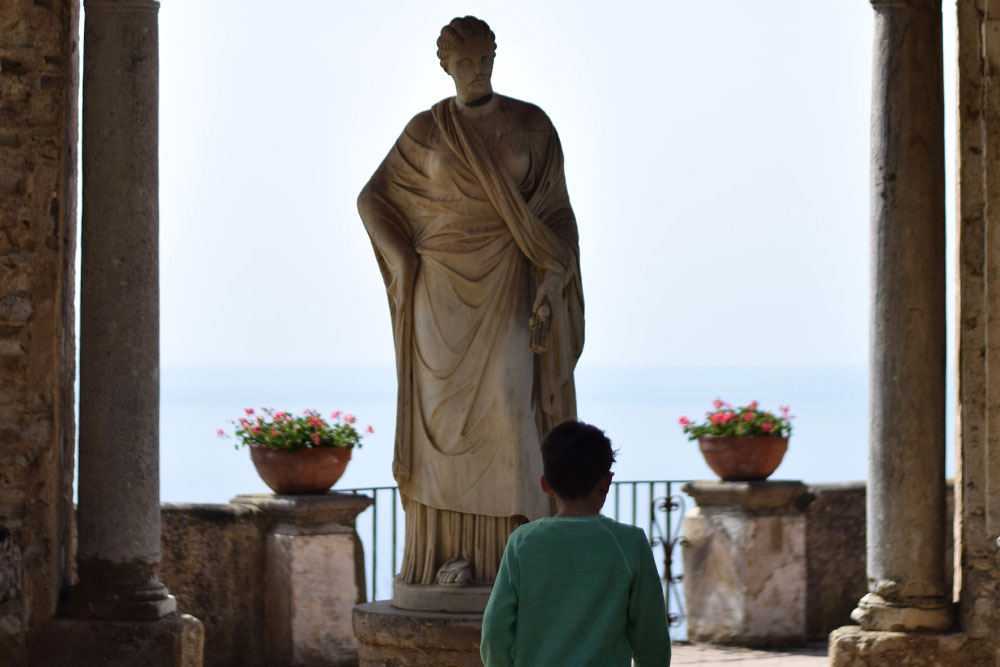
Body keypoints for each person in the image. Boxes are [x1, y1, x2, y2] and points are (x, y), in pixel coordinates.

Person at [358, 15, 584, 588]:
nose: (477, 69)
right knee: (441, 426)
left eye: (485, 58)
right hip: (438, 294)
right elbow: (373, 198)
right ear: (446, 66)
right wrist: (403, 261)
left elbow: (557, 214)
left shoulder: (531, 125)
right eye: (465, 62)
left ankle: (520, 557)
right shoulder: (425, 131)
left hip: (510, 278)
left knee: (512, 412)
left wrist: (552, 280)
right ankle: (444, 557)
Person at [481, 421, 672, 666]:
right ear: (606, 482)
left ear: (546, 485)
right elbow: (651, 636)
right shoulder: (630, 543)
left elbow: (495, 628)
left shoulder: (523, 542)